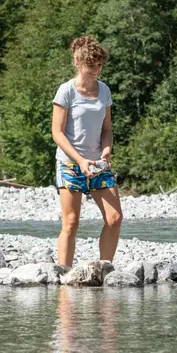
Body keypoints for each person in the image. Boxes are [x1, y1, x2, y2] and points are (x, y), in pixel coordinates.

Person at [51, 35, 123, 268]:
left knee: (114, 219)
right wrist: (80, 160)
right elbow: (57, 133)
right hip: (71, 163)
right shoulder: (66, 92)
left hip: (98, 163)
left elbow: (107, 129)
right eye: (91, 65)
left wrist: (106, 150)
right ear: (77, 63)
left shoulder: (104, 91)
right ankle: (64, 274)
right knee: (71, 223)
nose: (96, 70)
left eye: (100, 65)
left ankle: (105, 269)